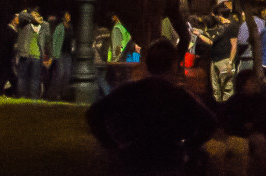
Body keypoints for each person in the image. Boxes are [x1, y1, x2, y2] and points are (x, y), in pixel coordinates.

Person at [86, 36, 218, 175]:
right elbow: (210, 123)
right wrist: (188, 146)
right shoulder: (178, 95)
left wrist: (112, 145)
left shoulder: (130, 90)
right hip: (168, 159)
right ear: (173, 65)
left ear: (147, 64)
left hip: (132, 157)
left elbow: (94, 114)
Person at [207, 67, 266, 176]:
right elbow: (225, 117)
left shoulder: (261, 99)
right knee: (261, 143)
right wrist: (245, 126)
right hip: (248, 133)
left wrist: (265, 125)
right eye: (252, 81)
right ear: (243, 85)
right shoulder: (236, 100)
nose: (256, 83)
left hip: (264, 129)